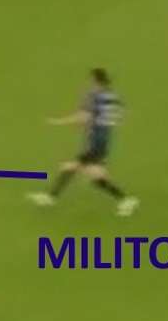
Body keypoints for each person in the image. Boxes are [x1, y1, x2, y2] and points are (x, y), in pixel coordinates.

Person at [31, 68, 140, 216]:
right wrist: (104, 123)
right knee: (96, 177)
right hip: (104, 140)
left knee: (70, 167)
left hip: (95, 140)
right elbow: (120, 115)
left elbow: (83, 117)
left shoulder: (94, 95)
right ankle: (126, 200)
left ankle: (50, 197)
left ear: (95, 80)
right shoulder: (113, 96)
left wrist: (58, 122)